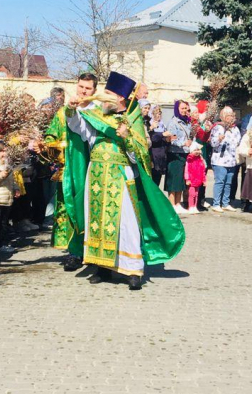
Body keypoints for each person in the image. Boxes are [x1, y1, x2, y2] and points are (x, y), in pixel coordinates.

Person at [63, 71, 185, 289]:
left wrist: (127, 138)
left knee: (126, 223)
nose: (103, 96)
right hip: (97, 176)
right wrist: (71, 109)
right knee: (96, 222)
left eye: (108, 93)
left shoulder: (133, 120)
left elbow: (140, 154)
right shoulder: (97, 116)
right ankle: (102, 268)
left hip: (121, 176)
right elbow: (78, 128)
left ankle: (133, 271)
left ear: (119, 97)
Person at [48, 72, 97, 272]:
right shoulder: (63, 112)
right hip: (71, 168)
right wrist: (51, 147)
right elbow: (51, 134)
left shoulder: (99, 111)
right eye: (81, 87)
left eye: (88, 88)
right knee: (72, 207)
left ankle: (95, 251)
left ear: (95, 90)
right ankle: (74, 252)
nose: (83, 91)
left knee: (92, 207)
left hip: (94, 167)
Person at [209, 107, 241, 211]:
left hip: (231, 161)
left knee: (228, 183)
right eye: (227, 115)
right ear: (222, 116)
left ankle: (225, 203)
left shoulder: (235, 129)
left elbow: (238, 142)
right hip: (220, 160)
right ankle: (216, 204)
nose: (229, 117)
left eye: (231, 115)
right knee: (220, 182)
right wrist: (219, 138)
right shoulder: (218, 127)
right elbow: (212, 143)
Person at [165, 100, 193, 211]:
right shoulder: (173, 122)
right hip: (174, 154)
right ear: (177, 109)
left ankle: (178, 203)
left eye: (186, 108)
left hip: (184, 153)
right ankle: (172, 205)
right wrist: (183, 143)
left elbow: (189, 136)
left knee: (181, 180)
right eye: (182, 108)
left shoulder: (187, 122)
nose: (184, 110)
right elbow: (171, 139)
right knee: (173, 181)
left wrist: (190, 142)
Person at [147, 105, 169, 189]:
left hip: (161, 155)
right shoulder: (150, 124)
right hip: (153, 155)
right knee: (152, 181)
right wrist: (162, 135)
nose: (158, 115)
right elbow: (152, 138)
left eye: (159, 113)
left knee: (158, 181)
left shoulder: (163, 125)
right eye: (156, 113)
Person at [184, 142, 206, 214]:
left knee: (196, 194)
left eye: (198, 150)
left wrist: (204, 180)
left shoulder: (200, 159)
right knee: (191, 194)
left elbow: (203, 169)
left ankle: (195, 206)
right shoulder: (189, 159)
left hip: (198, 179)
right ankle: (190, 206)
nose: (197, 152)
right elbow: (186, 170)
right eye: (195, 150)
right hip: (191, 180)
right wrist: (187, 179)